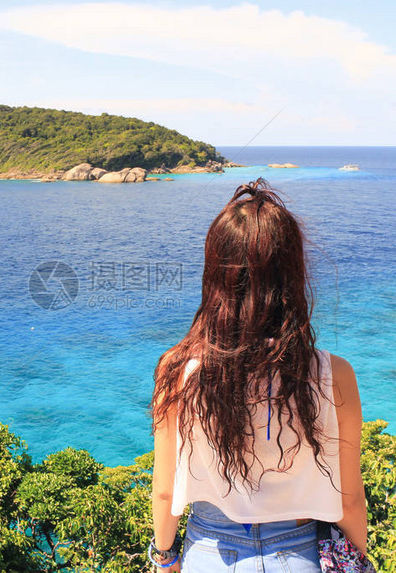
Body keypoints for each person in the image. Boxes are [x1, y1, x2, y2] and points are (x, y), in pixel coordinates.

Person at [148, 179, 368, 572]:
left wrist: (165, 558)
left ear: (215, 274)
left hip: (210, 552)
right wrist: (357, 560)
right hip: (300, 554)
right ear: (292, 274)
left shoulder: (179, 370)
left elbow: (165, 493)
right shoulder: (334, 374)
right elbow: (348, 500)